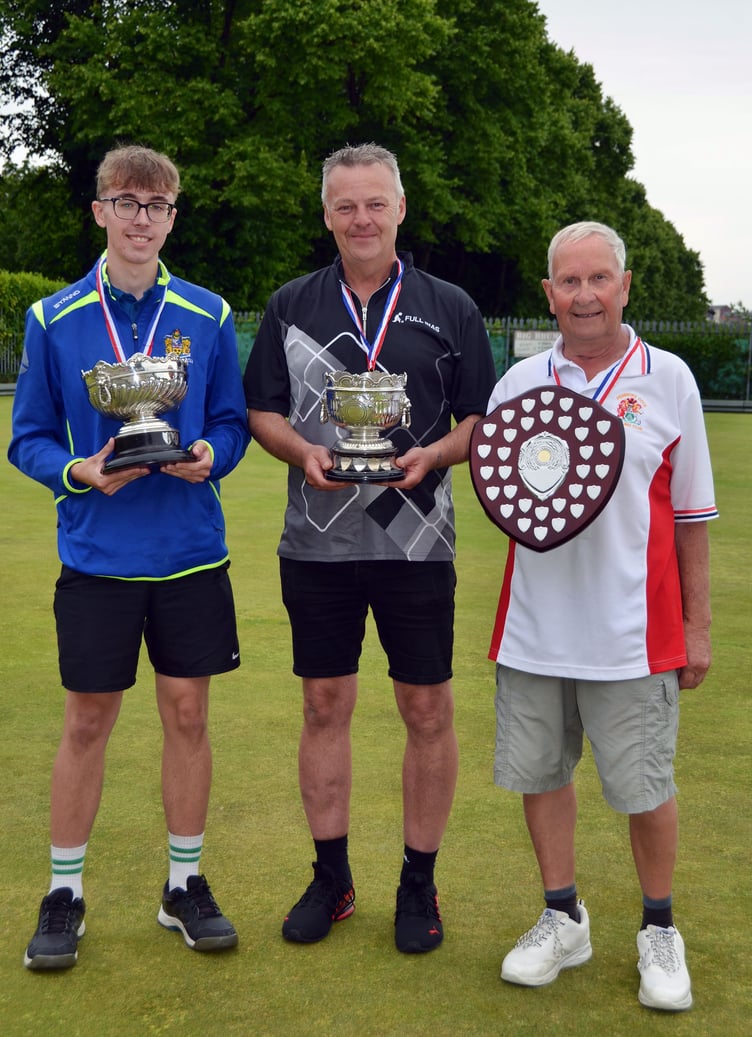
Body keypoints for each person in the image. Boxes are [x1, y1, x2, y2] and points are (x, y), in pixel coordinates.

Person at [244, 143, 496, 953]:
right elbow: (263, 411)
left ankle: (417, 881)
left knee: (427, 708)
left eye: (375, 203)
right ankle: (331, 876)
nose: (361, 218)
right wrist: (301, 452)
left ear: (399, 208)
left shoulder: (450, 304)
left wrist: (435, 456)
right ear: (327, 213)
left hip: (417, 539)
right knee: (325, 705)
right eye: (346, 205)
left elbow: (477, 418)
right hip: (316, 542)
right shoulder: (290, 303)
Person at [9, 145, 250, 970]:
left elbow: (231, 422)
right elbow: (29, 439)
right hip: (98, 556)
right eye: (127, 201)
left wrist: (211, 457)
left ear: (173, 216)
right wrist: (78, 471)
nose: (142, 218)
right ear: (100, 210)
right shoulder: (52, 317)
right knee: (86, 722)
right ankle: (66, 892)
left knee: (188, 716)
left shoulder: (210, 314)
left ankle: (184, 884)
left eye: (158, 204)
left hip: (188, 553)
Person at [485, 221, 717, 1010]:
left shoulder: (670, 378)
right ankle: (562, 916)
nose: (583, 295)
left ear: (624, 286)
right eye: (567, 282)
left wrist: (700, 626)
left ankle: (659, 928)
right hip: (535, 626)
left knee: (646, 787)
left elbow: (691, 516)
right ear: (548, 293)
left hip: (636, 632)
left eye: (597, 279)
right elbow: (505, 497)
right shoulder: (517, 384)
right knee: (541, 776)